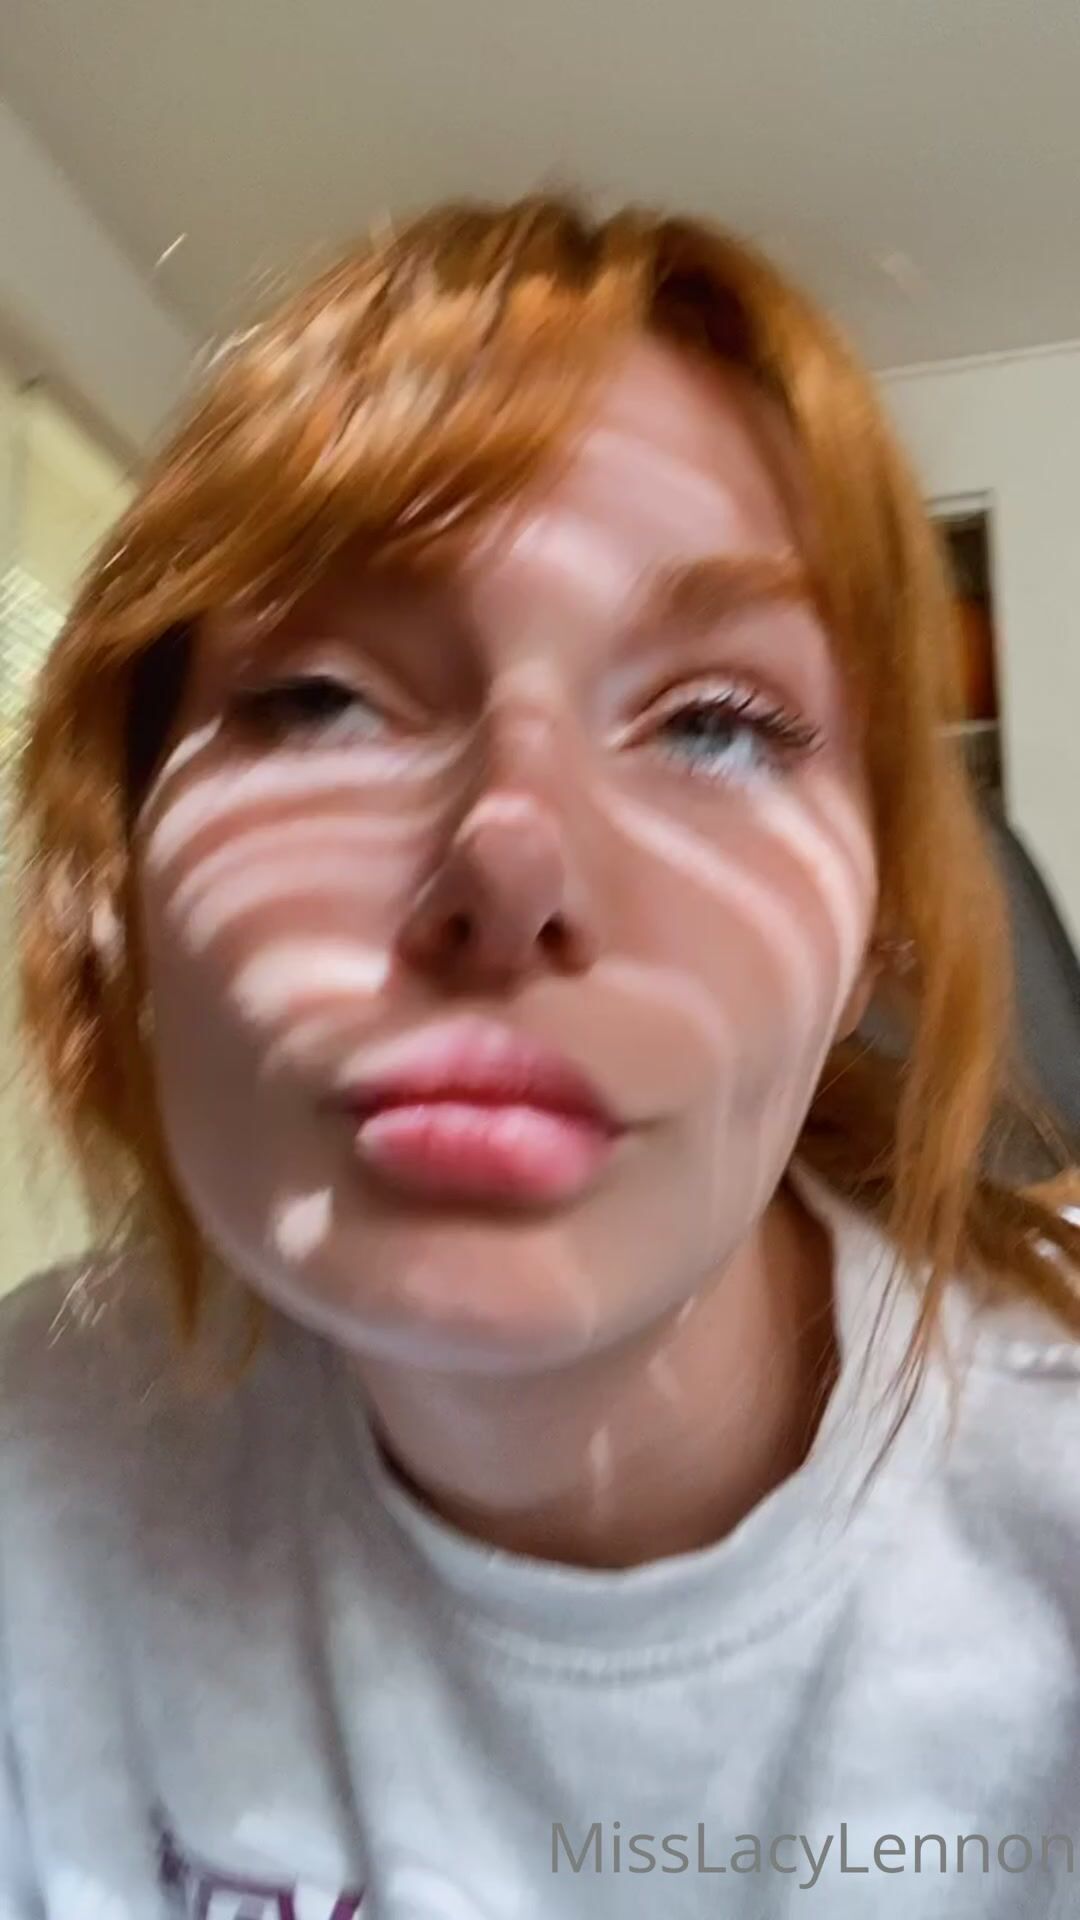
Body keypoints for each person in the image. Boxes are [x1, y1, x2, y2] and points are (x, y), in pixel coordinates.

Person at [4, 195, 1080, 1918]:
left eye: (716, 723)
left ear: (874, 924)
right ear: (122, 864)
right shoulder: (35, 1473)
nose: (510, 859)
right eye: (321, 698)